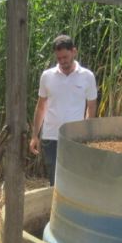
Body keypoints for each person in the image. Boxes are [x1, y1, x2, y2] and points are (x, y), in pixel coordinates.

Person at [28, 35, 98, 186]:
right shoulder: (47, 76)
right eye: (59, 58)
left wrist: (85, 132)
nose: (62, 61)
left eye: (65, 57)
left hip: (74, 137)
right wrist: (35, 135)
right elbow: (41, 106)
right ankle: (57, 208)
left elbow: (91, 106)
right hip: (51, 137)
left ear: (74, 52)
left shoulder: (87, 76)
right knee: (55, 179)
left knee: (74, 177)